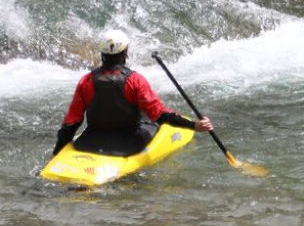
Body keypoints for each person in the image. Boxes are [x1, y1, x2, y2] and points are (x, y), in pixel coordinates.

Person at [55, 29, 213, 157]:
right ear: (125, 52)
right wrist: (194, 125)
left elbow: (72, 122)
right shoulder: (135, 80)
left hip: (90, 142)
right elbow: (160, 115)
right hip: (128, 143)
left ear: (102, 53)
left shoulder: (86, 80)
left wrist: (57, 154)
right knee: (150, 119)